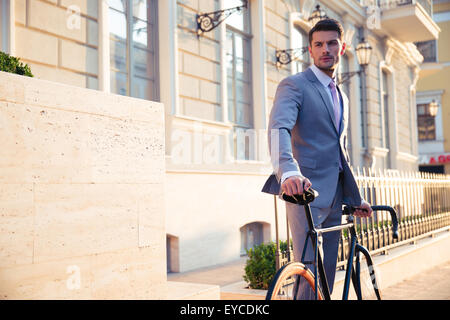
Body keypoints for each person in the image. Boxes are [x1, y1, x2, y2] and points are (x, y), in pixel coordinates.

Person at [262, 18, 373, 299]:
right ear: (310, 50)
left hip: (336, 195)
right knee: (308, 273)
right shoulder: (294, 85)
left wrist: (353, 195)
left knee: (327, 272)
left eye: (331, 43)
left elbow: (339, 150)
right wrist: (288, 172)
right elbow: (279, 128)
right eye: (318, 44)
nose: (326, 49)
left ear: (342, 47)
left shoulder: (342, 97)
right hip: (304, 191)